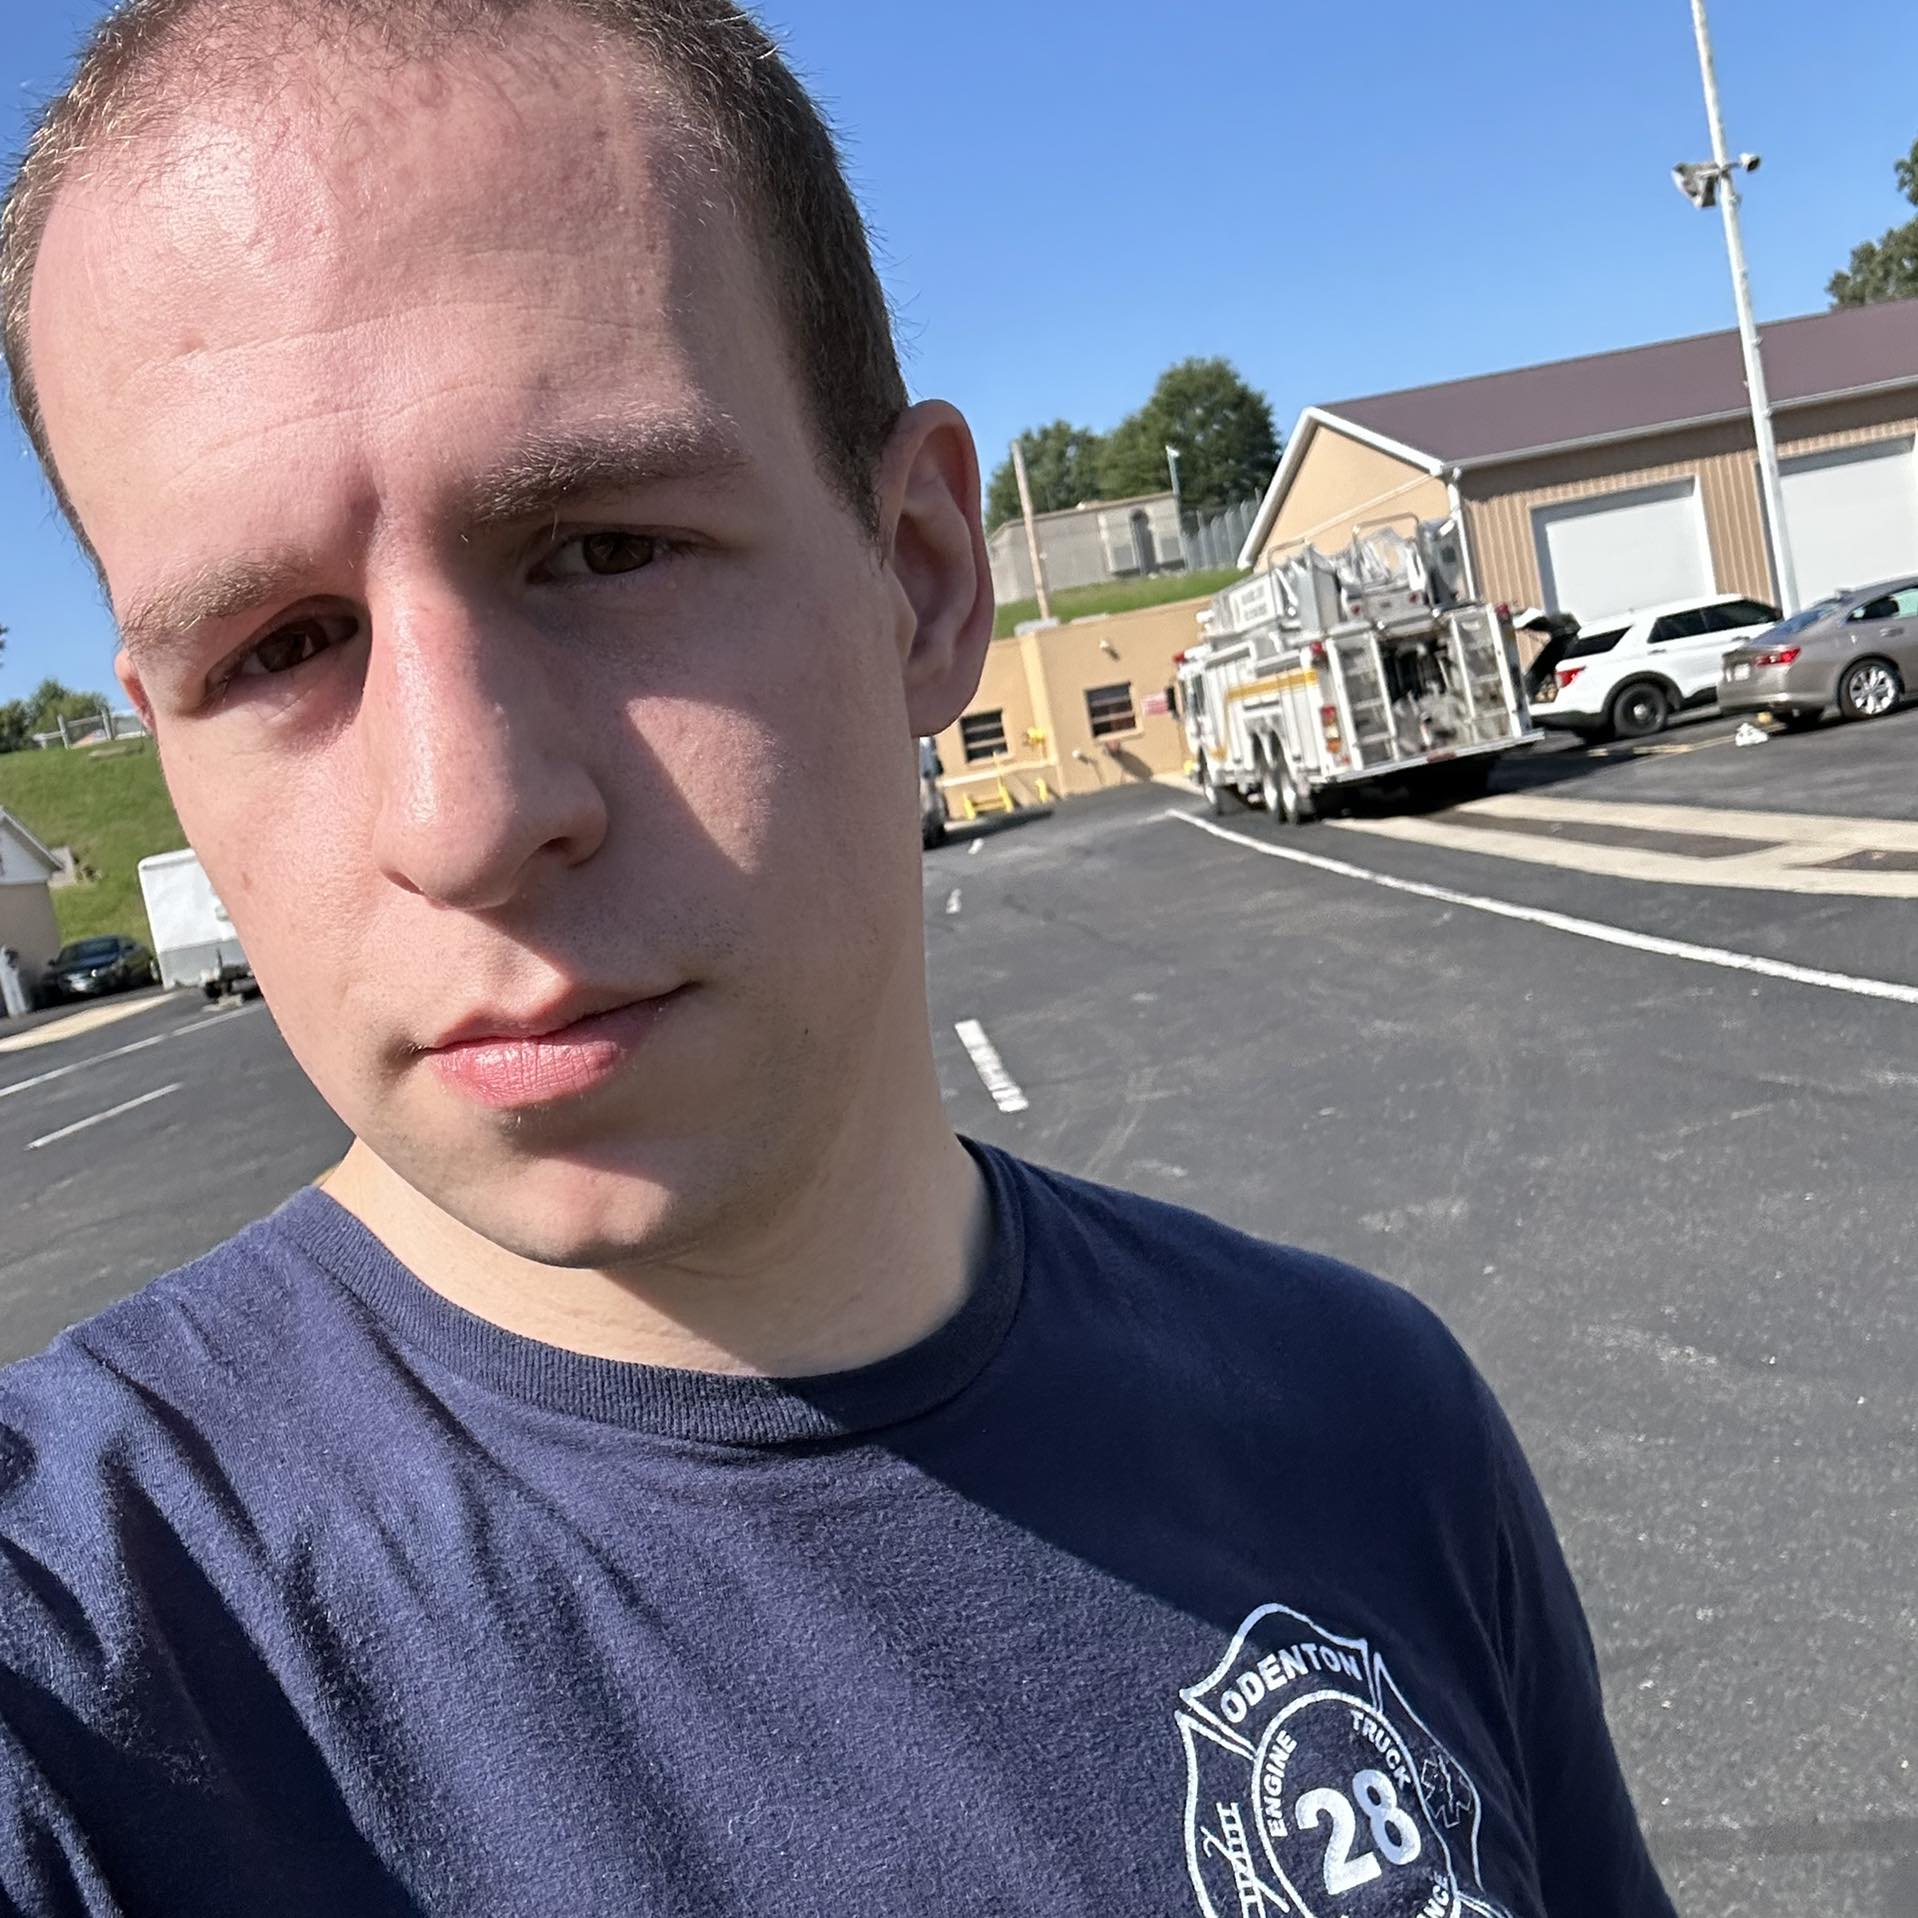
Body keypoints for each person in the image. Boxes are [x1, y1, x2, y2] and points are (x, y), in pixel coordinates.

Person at [0, 4, 1677, 1913]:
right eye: (280, 649)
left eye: (601, 548)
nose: (461, 817)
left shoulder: (1368, 1420)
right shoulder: (75, 1672)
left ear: (923, 577)